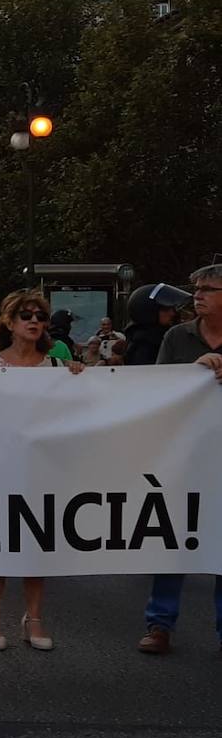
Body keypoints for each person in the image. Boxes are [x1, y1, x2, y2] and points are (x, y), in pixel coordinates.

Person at [0, 291, 85, 651]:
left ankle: (34, 619)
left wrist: (82, 376)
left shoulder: (58, 369)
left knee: (37, 547)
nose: (34, 322)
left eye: (40, 316)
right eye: (25, 316)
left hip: (42, 470)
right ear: (9, 322)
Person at [138, 264, 222, 655]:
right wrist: (192, 374)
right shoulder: (178, 336)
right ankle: (160, 624)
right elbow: (159, 390)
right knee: (174, 539)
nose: (198, 295)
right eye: (197, 288)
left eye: (208, 288)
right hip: (186, 454)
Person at [123, 283, 188, 366]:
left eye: (172, 308)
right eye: (166, 309)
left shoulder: (149, 337)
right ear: (149, 312)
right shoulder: (146, 346)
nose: (172, 313)